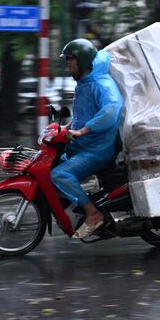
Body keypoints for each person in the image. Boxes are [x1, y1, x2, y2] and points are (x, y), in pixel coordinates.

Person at [52, 38, 124, 239]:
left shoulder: (101, 84)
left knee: (60, 175)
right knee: (52, 167)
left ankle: (93, 214)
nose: (67, 63)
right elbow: (84, 113)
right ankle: (80, 207)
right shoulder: (84, 82)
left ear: (83, 61)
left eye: (71, 59)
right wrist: (67, 127)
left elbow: (111, 111)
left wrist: (82, 131)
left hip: (97, 150)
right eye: (66, 59)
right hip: (83, 146)